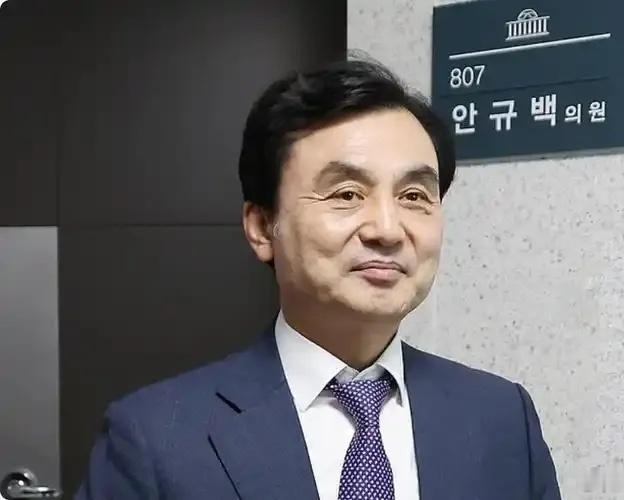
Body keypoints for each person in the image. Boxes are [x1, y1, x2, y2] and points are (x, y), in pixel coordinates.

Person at [75, 58, 561, 500]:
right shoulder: (154, 439)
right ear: (262, 226)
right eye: (347, 194)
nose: (387, 229)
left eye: (414, 196)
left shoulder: (502, 418)